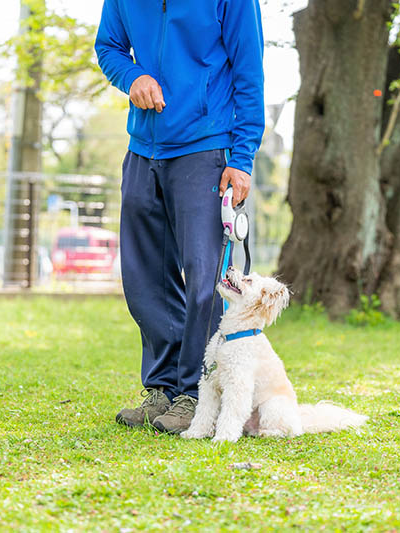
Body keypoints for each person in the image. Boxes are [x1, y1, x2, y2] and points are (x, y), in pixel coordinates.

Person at [95, 0, 265, 434]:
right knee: (143, 276)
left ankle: (196, 392)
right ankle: (163, 389)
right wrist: (133, 76)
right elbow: (108, 47)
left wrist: (242, 158)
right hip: (142, 148)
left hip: (205, 147)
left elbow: (249, 73)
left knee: (208, 278)